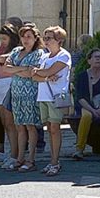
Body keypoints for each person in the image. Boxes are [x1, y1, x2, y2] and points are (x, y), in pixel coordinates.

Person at [2, 26, 46, 172]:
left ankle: (31, 159)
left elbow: (31, 73)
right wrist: (21, 69)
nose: (25, 39)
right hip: (16, 93)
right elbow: (6, 68)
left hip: (30, 93)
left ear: (35, 38)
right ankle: (20, 158)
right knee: (19, 126)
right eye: (23, 36)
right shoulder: (16, 51)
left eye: (29, 36)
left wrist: (16, 70)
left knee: (30, 126)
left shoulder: (38, 53)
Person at [33, 26, 72, 176]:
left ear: (59, 40)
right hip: (43, 95)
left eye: (49, 38)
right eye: (45, 37)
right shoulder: (44, 56)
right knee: (49, 129)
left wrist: (40, 73)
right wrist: (45, 76)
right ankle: (52, 160)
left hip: (55, 96)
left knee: (55, 129)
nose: (45, 41)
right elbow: (34, 76)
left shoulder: (64, 56)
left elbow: (46, 71)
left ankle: (55, 162)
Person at [72, 49, 100, 160]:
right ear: (89, 60)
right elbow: (81, 97)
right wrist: (93, 110)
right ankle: (79, 149)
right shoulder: (83, 76)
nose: (98, 59)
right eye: (95, 57)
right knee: (86, 116)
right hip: (89, 105)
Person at [0, 24, 20, 165]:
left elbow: (3, 59)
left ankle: (15, 155)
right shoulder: (2, 48)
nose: (2, 41)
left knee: (10, 122)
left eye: (4, 38)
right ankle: (11, 153)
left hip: (9, 83)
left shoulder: (16, 50)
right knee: (4, 123)